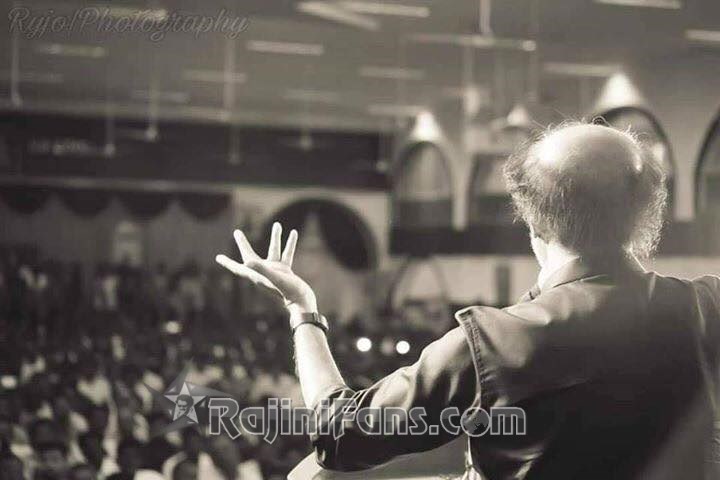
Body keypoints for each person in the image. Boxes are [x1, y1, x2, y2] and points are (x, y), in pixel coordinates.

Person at [217, 122, 720, 479]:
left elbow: (340, 435)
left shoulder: (495, 341)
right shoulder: (706, 309)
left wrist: (303, 311)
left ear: (534, 223)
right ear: (646, 215)